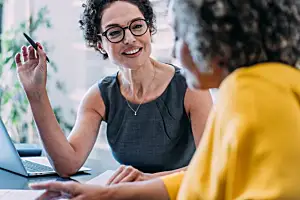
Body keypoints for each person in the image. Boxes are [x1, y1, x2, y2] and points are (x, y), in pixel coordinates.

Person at [30, 0, 300, 199]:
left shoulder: (254, 95)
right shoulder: (256, 87)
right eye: (115, 32)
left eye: (181, 36)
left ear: (213, 39)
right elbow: (208, 178)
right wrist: (105, 195)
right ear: (100, 43)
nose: (173, 50)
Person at [14, 0, 212, 183]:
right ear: (100, 45)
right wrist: (36, 93)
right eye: (115, 32)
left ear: (149, 29)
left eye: (137, 26)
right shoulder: (99, 97)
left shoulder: (191, 87)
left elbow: (211, 167)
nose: (129, 39)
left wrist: (146, 181)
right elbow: (67, 164)